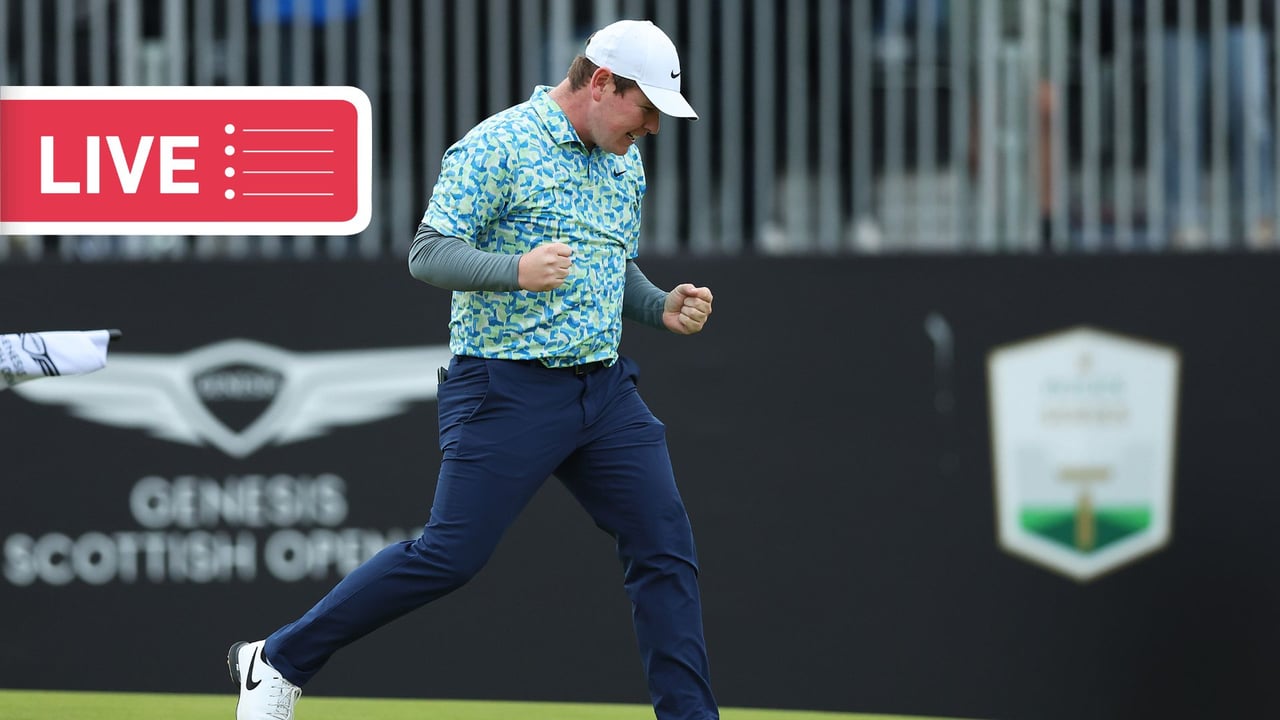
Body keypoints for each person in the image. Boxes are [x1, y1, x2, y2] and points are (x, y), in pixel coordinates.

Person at [227, 19, 720, 720]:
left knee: (664, 546)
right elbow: (428, 253)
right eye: (645, 109)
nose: (652, 129)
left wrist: (657, 304)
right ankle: (277, 658)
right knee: (449, 556)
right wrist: (516, 270)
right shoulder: (498, 144)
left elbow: (612, 266)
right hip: (506, 388)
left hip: (605, 392)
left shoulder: (623, 160)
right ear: (603, 84)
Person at [1160, 0, 1276, 249]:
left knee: (1250, 111)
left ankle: (1256, 216)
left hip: (1243, 13)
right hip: (1178, 16)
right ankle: (1185, 220)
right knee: (1181, 120)